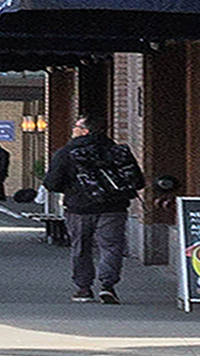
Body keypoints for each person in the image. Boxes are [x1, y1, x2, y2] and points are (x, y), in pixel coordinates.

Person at [41, 115, 144, 303]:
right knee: (111, 246)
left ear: (85, 131)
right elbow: (137, 181)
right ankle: (108, 286)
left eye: (76, 126)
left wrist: (73, 189)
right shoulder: (118, 151)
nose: (73, 129)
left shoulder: (66, 153)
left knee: (81, 247)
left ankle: (83, 288)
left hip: (79, 209)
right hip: (114, 208)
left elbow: (51, 183)